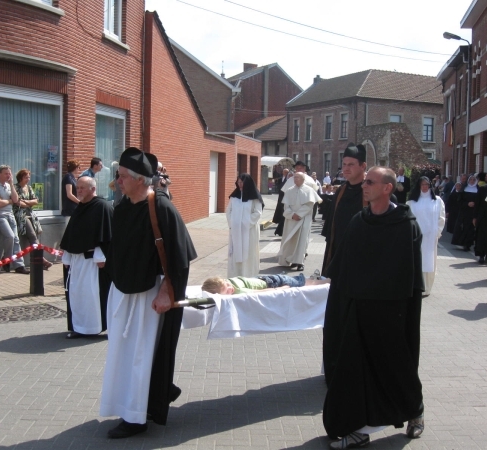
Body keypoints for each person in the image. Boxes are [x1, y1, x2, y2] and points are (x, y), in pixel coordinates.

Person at [322, 167, 424, 448]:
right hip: (359, 309)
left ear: (387, 188)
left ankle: (415, 410)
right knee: (355, 370)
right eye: (364, 181)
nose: (363, 186)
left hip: (391, 313)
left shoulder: (405, 225)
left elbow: (411, 277)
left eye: (370, 182)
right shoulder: (359, 221)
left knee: (396, 368)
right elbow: (343, 264)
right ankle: (358, 428)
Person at [100, 147, 197, 438]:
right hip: (123, 295)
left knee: (140, 355)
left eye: (123, 176)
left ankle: (136, 417)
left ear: (140, 179)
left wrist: (167, 293)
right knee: (123, 354)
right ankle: (135, 405)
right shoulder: (123, 208)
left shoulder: (162, 208)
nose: (118, 181)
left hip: (149, 297)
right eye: (118, 176)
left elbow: (179, 258)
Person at [60, 176, 113, 339]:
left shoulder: (102, 207)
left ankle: (100, 326)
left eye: (82, 187)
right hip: (77, 263)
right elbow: (71, 235)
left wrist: (101, 256)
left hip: (93, 263)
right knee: (77, 296)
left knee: (93, 297)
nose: (79, 190)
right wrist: (67, 256)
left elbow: (108, 236)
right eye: (78, 187)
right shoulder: (80, 208)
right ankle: (80, 327)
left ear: (93, 189)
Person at [321, 143, 367, 276]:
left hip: (361, 254)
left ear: (363, 166)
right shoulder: (341, 191)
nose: (345, 168)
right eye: (344, 164)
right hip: (338, 253)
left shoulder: (371, 192)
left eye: (351, 164)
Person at [407, 177, 446, 296]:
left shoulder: (437, 201)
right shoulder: (411, 202)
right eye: (422, 184)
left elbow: (441, 218)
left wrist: (437, 233)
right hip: (416, 237)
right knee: (417, 261)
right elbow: (407, 219)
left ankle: (427, 287)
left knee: (429, 262)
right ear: (418, 186)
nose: (424, 187)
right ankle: (417, 286)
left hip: (430, 238)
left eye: (427, 184)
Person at [0, 165, 29, 274]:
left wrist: (11, 184)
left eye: (9, 173)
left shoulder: (9, 185)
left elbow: (16, 200)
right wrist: (10, 201)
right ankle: (6, 260)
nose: (8, 175)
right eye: (6, 173)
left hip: (10, 215)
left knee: (16, 239)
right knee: (10, 236)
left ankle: (19, 266)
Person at [278, 172, 319, 271]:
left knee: (302, 241)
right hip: (291, 220)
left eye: (298, 178)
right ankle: (292, 259)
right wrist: (292, 215)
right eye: (294, 177)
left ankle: (300, 262)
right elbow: (286, 206)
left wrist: (299, 214)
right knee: (291, 240)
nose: (295, 179)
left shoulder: (309, 190)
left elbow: (309, 205)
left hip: (303, 219)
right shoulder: (289, 191)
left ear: (303, 179)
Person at [13, 169, 53, 270]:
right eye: (26, 177)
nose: (28, 179)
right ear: (21, 178)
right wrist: (27, 202)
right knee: (32, 235)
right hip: (21, 215)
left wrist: (26, 201)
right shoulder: (15, 188)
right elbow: (18, 203)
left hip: (30, 213)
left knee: (37, 233)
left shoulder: (29, 188)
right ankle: (41, 260)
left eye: (29, 177)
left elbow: (36, 201)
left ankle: (39, 258)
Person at [226, 173, 263, 278]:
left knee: (249, 253)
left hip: (249, 230)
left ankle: (248, 276)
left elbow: (258, 212)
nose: (240, 184)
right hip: (236, 230)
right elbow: (229, 210)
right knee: (235, 254)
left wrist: (245, 222)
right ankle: (235, 275)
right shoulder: (234, 196)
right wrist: (233, 222)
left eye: (242, 182)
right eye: (238, 182)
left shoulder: (254, 197)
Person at [201, 273, 328, 295]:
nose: (230, 288)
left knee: (307, 284)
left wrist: (280, 289)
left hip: (275, 282)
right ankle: (319, 278)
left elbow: (259, 292)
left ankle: (327, 281)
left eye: (227, 285)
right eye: (227, 291)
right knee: (301, 281)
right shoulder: (230, 281)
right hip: (270, 280)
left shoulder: (237, 290)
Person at [451, 175, 478, 251]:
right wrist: (467, 204)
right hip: (464, 212)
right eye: (471, 180)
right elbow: (459, 201)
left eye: (473, 180)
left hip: (474, 212)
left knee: (471, 229)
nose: (472, 181)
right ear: (468, 181)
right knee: (464, 228)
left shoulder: (478, 189)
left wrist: (475, 204)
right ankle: (464, 243)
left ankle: (468, 244)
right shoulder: (464, 189)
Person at [272, 168, 289, 236]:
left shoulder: (288, 180)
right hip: (281, 197)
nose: (285, 173)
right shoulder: (280, 179)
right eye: (284, 172)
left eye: (286, 172)